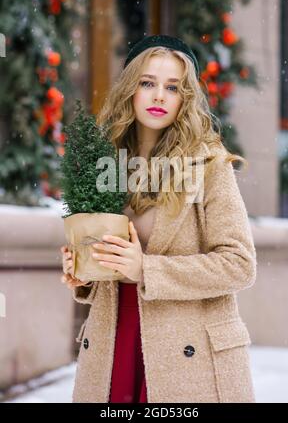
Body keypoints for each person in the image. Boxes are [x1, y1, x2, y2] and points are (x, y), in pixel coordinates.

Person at [61, 34, 257, 403]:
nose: (158, 96)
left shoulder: (209, 165)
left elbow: (240, 264)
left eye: (173, 87)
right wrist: (84, 271)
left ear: (186, 98)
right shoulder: (104, 164)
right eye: (147, 83)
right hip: (116, 342)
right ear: (129, 89)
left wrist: (146, 270)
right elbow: (110, 267)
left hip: (187, 356)